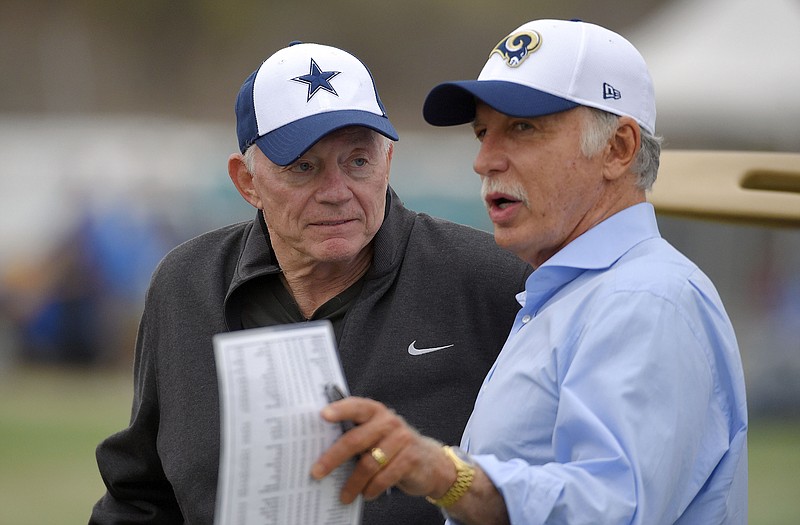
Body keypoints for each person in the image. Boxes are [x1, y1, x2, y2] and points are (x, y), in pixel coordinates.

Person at [312, 19, 748, 524]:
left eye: (523, 127)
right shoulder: (576, 294)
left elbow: (607, 511)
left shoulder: (645, 297)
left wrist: (445, 474)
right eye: (482, 132)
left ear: (618, 149)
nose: (484, 160)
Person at [89, 42, 531, 524]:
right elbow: (141, 494)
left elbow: (547, 483)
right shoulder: (187, 283)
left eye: (358, 162)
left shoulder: (492, 278)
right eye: (304, 167)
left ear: (388, 161)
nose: (337, 193)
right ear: (247, 182)